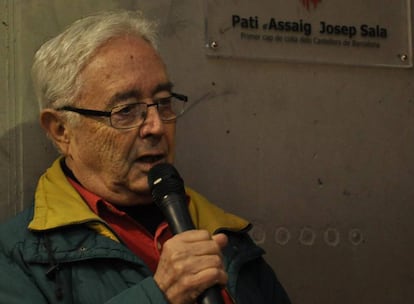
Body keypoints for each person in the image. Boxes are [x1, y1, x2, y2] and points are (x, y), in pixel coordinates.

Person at [0, 10, 291, 304]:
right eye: (126, 110)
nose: (156, 126)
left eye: (163, 103)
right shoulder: (16, 256)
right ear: (61, 130)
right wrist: (158, 295)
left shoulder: (224, 234)